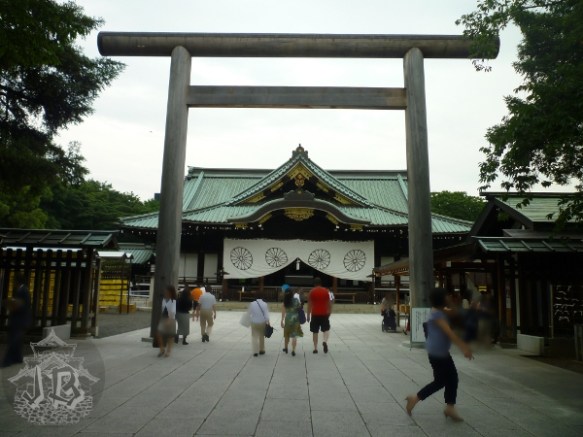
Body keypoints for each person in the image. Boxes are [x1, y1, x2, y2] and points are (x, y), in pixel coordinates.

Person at [405, 288, 473, 422]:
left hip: (438, 352)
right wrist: (464, 347)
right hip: (438, 353)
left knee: (451, 378)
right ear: (442, 300)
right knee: (442, 381)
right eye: (446, 296)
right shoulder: (438, 315)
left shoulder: (438, 311)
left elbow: (455, 313)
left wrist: (450, 302)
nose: (449, 298)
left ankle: (449, 407)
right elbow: (450, 333)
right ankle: (416, 398)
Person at [2, 273, 31, 367]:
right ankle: (17, 358)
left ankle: (7, 361)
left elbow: (24, 305)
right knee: (16, 340)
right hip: (18, 319)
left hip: (20, 320)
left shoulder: (23, 290)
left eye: (13, 280)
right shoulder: (20, 290)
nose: (12, 282)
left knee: (13, 340)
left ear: (17, 281)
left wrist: (13, 303)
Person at [306, 277, 332, 354]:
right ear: (321, 283)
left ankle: (315, 348)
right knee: (326, 329)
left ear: (314, 283)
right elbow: (329, 303)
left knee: (315, 331)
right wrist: (329, 312)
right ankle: (324, 341)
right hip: (324, 313)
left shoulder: (311, 292)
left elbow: (309, 304)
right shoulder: (326, 291)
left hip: (315, 314)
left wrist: (308, 315)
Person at [281, 287, 303, 356]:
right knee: (294, 335)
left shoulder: (285, 302)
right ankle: (293, 350)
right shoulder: (296, 300)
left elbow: (283, 312)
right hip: (296, 318)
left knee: (286, 334)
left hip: (288, 318)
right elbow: (299, 308)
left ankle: (286, 348)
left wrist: (282, 320)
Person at [156, 285, 177, 358]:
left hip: (170, 319)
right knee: (159, 333)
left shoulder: (173, 301)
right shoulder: (164, 300)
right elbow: (163, 310)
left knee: (170, 336)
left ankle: (168, 351)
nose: (165, 292)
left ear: (170, 292)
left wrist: (169, 320)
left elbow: (172, 312)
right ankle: (162, 349)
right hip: (163, 318)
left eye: (167, 291)